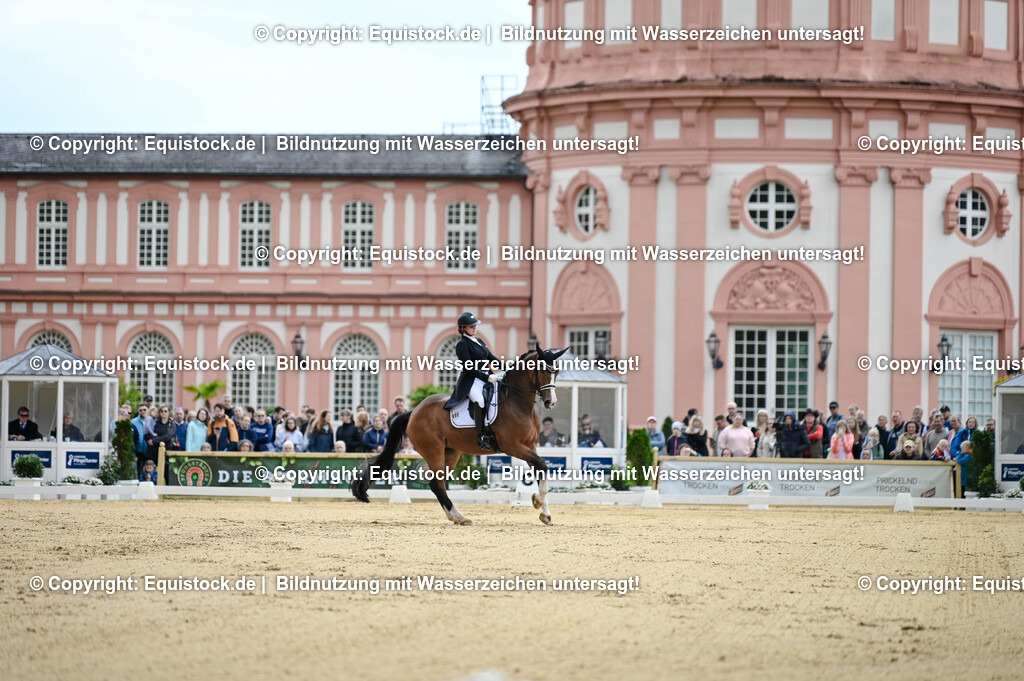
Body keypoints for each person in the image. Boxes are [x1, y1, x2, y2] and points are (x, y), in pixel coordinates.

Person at [443, 311, 502, 450]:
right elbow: (469, 368)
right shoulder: (462, 345)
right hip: (472, 381)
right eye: (471, 326)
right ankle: (481, 435)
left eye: (475, 326)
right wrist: (487, 377)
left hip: (486, 377)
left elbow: (490, 358)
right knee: (480, 400)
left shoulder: (479, 341)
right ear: (463, 328)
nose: (474, 328)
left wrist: (506, 367)